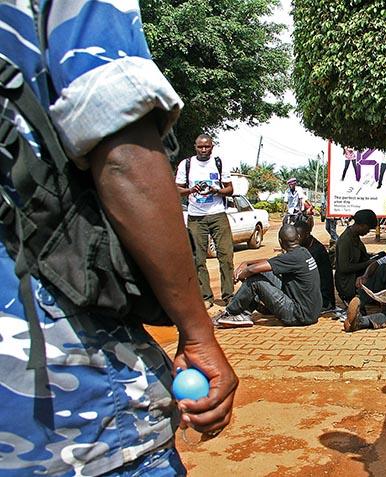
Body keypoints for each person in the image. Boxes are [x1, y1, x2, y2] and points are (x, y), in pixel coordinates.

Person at [0, 2, 237, 475]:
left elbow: (226, 188)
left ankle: (227, 293)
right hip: (69, 405)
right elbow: (124, 153)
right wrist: (195, 330)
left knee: (228, 259)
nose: (205, 148)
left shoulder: (216, 163)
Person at [214, 225, 322, 328]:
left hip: (298, 315)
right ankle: (245, 312)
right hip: (311, 312)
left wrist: (240, 275)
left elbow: (252, 270)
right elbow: (270, 262)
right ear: (298, 237)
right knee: (264, 272)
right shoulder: (303, 252)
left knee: (255, 281)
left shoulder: (292, 257)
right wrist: (247, 263)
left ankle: (229, 313)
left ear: (280, 242)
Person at [176, 134, 235, 308]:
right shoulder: (186, 165)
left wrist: (216, 190)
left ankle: (229, 296)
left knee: (226, 256)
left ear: (212, 147)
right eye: (200, 147)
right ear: (195, 147)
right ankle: (206, 297)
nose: (204, 150)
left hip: (218, 214)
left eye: (207, 147)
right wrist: (191, 190)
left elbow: (230, 189)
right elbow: (176, 189)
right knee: (197, 259)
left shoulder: (219, 163)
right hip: (196, 217)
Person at [335, 209, 381, 303]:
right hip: (347, 283)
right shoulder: (346, 240)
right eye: (368, 229)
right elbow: (344, 267)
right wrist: (367, 263)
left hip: (355, 276)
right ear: (362, 225)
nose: (368, 232)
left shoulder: (354, 237)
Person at [295, 218, 337, 312]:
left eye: (298, 236)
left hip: (323, 298)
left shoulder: (316, 250)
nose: (295, 240)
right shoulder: (308, 245)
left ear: (307, 234)